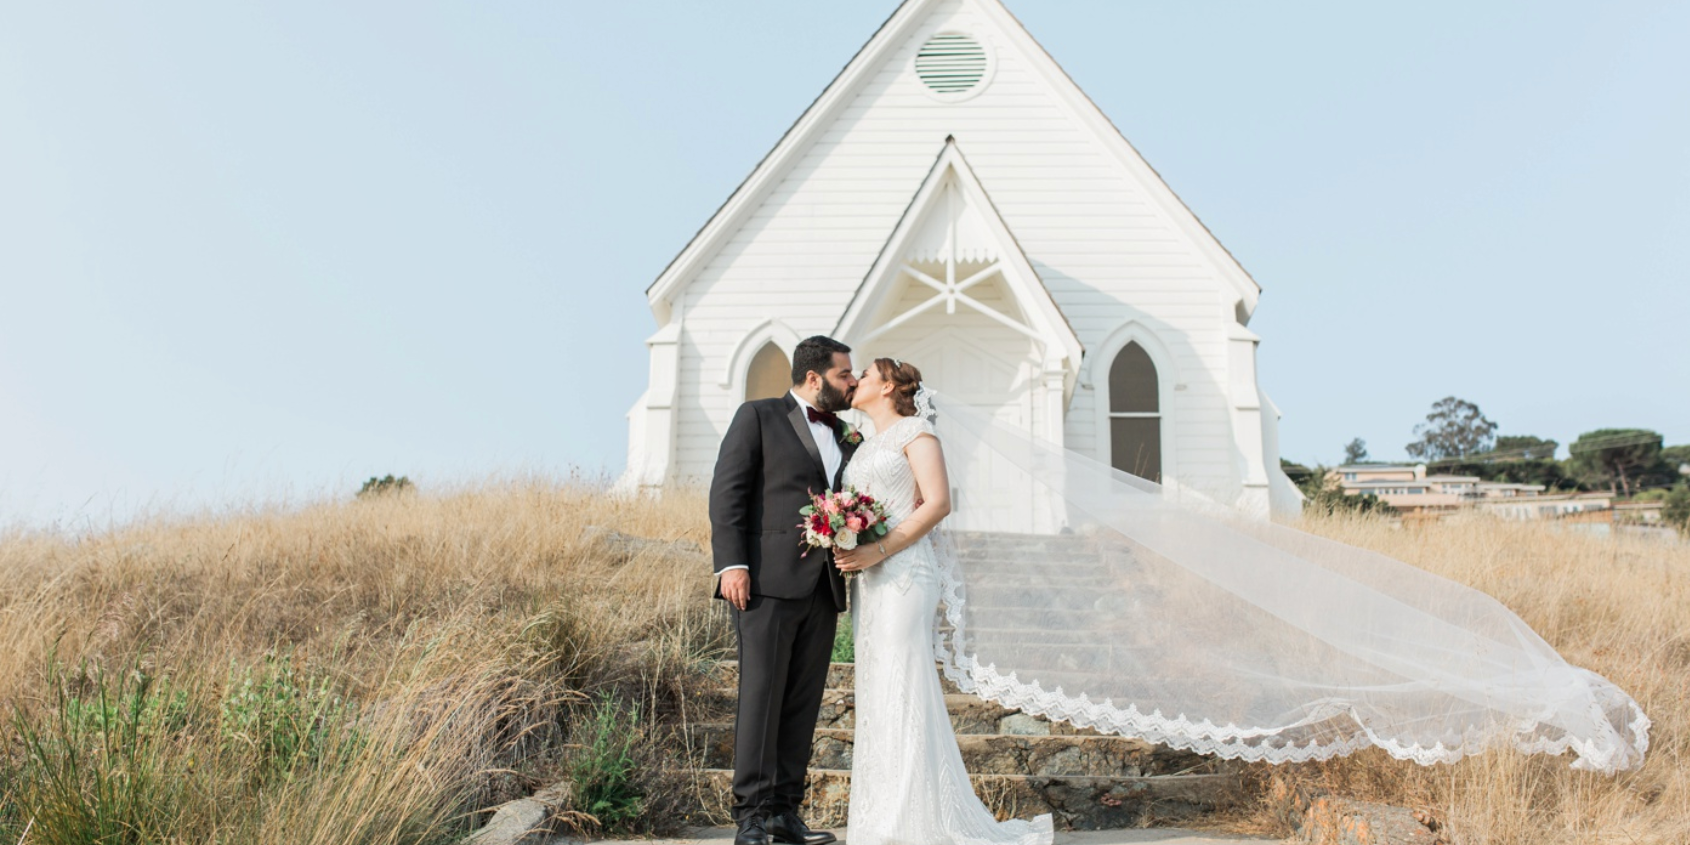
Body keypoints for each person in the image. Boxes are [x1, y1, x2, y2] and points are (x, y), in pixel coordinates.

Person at [832, 358, 1054, 845]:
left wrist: (877, 549)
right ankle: (881, 818)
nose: (855, 381)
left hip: (904, 574)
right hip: (870, 580)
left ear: (887, 386)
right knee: (878, 688)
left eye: (864, 374)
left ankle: (914, 821)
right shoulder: (864, 444)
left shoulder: (916, 433)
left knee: (903, 684)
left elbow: (938, 502)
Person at [709, 335, 859, 845]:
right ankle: (750, 816)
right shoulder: (758, 416)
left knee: (802, 702)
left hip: (825, 585)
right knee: (761, 697)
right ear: (814, 378)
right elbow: (728, 491)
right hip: (765, 582)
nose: (852, 381)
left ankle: (784, 812)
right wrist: (732, 565)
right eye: (844, 374)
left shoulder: (848, 435)